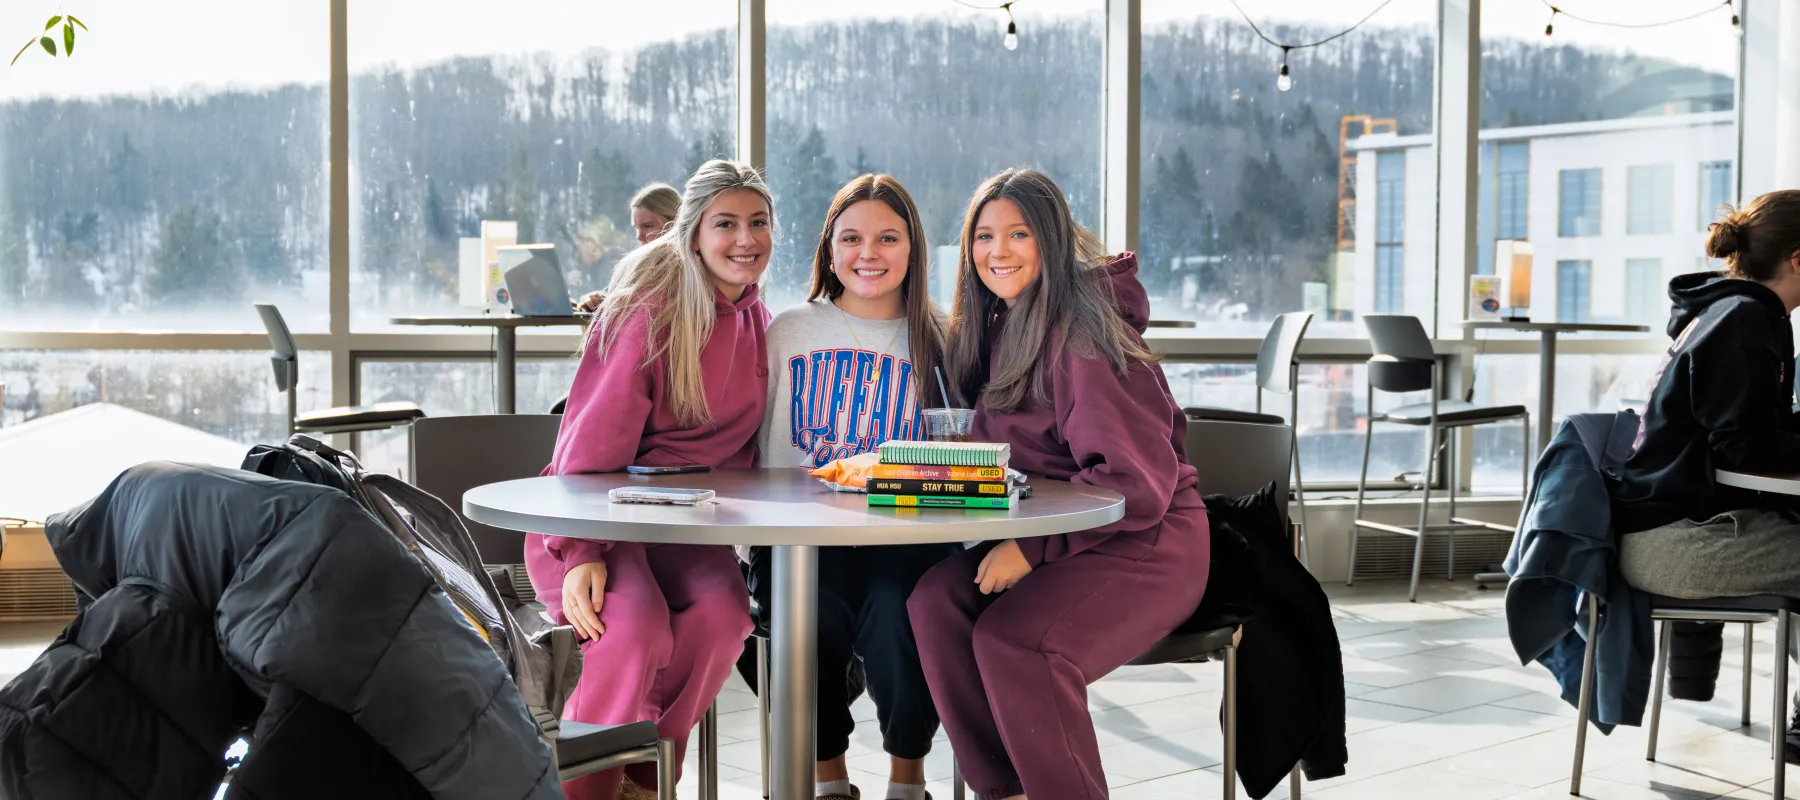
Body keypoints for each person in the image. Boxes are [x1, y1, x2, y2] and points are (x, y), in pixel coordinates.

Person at [905, 169, 1211, 800]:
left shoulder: (1084, 338)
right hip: (1065, 533)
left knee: (1016, 644)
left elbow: (1137, 485)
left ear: (1051, 240)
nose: (998, 252)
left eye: (1019, 234)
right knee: (934, 603)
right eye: (984, 236)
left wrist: (1034, 549)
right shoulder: (1000, 326)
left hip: (1146, 541)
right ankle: (1009, 791)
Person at [523, 159, 773, 800]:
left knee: (723, 617)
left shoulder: (755, 319)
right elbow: (585, 447)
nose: (745, 238)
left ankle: (645, 779)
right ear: (692, 234)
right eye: (726, 224)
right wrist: (583, 552)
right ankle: (586, 790)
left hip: (682, 528)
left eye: (758, 223)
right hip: (592, 522)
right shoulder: (648, 312)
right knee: (632, 629)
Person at [750, 174, 956, 800]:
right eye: (852, 238)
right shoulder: (787, 331)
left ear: (913, 249)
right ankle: (828, 780)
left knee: (903, 614)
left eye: (888, 237)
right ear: (828, 249)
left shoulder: (941, 336)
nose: (869, 253)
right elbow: (752, 441)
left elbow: (961, 455)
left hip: (907, 534)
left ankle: (907, 780)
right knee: (804, 616)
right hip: (800, 532)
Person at [1615, 189, 1800, 759]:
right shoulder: (1743, 321)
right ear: (1798, 260)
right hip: (1676, 544)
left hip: (1673, 527)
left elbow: (1742, 430)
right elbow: (1745, 450)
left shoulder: (1727, 311)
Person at [575, 182, 683, 312]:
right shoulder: (635, 266)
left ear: (674, 223)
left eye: (648, 226)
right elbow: (609, 294)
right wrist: (594, 301)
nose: (639, 236)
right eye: (636, 228)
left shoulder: (691, 272)